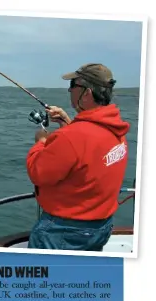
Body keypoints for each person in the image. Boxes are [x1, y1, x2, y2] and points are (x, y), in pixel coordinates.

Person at [26, 63, 130, 252]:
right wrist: (67, 122)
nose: (70, 90)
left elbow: (38, 172)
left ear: (87, 93)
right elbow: (88, 151)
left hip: (63, 232)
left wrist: (40, 142)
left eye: (73, 85)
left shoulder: (71, 137)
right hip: (100, 227)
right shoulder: (118, 129)